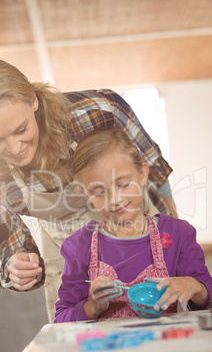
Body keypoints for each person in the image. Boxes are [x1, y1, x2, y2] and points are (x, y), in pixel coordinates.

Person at [0, 59, 177, 322]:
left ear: (34, 100)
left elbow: (154, 171)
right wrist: (18, 267)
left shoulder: (98, 111)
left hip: (135, 233)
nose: (15, 148)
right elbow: (14, 247)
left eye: (21, 129)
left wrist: (176, 241)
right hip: (67, 258)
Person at [54, 128, 212, 323]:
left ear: (142, 174)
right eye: (99, 192)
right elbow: (61, 318)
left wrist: (193, 286)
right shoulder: (79, 246)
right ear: (85, 194)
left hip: (167, 350)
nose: (114, 199)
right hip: (108, 351)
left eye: (122, 185)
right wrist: (92, 307)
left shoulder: (179, 233)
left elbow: (206, 297)